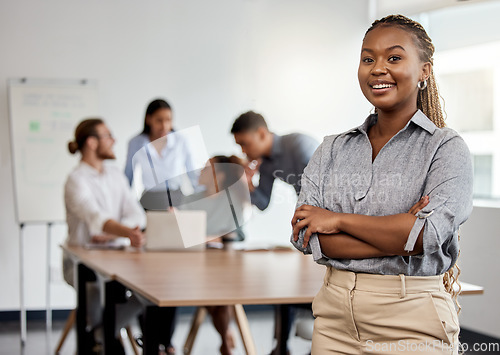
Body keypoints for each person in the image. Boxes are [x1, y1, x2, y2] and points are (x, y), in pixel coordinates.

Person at [291, 15, 473, 354]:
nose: (377, 68)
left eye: (394, 57)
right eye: (368, 58)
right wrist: (401, 232)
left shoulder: (446, 148)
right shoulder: (332, 148)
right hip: (333, 320)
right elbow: (305, 235)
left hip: (412, 321)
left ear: (424, 72)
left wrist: (337, 220)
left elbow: (425, 236)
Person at [231, 111, 319, 354]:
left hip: (323, 217)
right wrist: (247, 184)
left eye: (245, 144)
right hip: (306, 221)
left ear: (261, 134)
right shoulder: (267, 164)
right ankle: (281, 346)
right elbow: (261, 203)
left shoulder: (298, 145)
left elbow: (323, 187)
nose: (244, 152)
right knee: (285, 286)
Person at [63, 118, 146, 353]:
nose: (114, 141)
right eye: (108, 136)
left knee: (148, 290)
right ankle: (106, 338)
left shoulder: (115, 175)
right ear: (91, 142)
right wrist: (124, 232)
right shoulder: (76, 180)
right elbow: (95, 218)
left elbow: (137, 215)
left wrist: (113, 235)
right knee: (97, 289)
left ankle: (101, 334)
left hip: (118, 256)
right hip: (82, 262)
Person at [180, 155, 249, 355]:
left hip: (225, 267)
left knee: (220, 288)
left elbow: (237, 235)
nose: (200, 172)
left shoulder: (233, 201)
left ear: (217, 174)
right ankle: (225, 335)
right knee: (217, 291)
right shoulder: (189, 200)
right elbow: (182, 233)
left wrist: (205, 238)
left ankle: (225, 338)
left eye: (205, 168)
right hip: (193, 266)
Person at [124, 98, 200, 198]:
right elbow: (128, 174)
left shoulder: (181, 140)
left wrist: (202, 197)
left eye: (168, 120)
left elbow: (192, 173)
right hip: (149, 199)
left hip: (176, 198)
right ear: (148, 119)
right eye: (159, 120)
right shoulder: (135, 143)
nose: (164, 126)